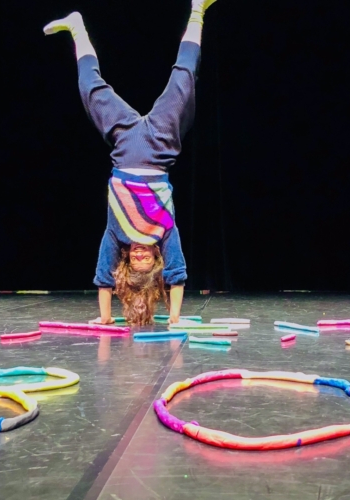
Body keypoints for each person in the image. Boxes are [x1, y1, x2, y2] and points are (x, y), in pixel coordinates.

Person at [44, 0, 218, 325]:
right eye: (145, 258)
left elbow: (103, 277)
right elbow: (177, 274)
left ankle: (77, 27)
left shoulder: (116, 236)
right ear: (155, 259)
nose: (139, 253)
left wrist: (105, 317)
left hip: (124, 148)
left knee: (89, 89)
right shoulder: (165, 234)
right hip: (159, 146)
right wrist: (175, 317)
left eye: (134, 257)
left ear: (126, 259)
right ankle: (198, 9)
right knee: (184, 78)